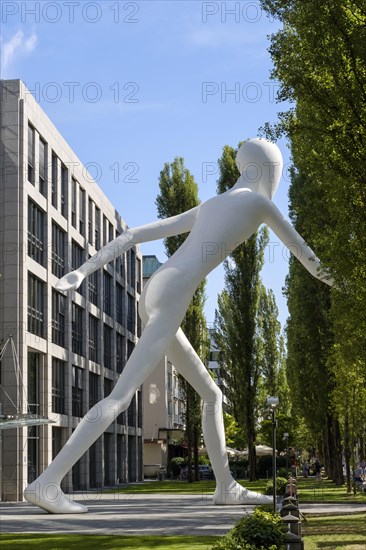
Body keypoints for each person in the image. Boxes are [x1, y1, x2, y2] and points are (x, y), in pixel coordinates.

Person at [24, 138, 334, 513]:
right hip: (173, 296)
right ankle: (47, 482)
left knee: (212, 395)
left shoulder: (212, 204)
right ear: (271, 170)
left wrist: (82, 271)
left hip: (154, 291)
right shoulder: (259, 203)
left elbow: (134, 234)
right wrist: (349, 283)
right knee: (120, 397)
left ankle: (226, 486)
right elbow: (309, 258)